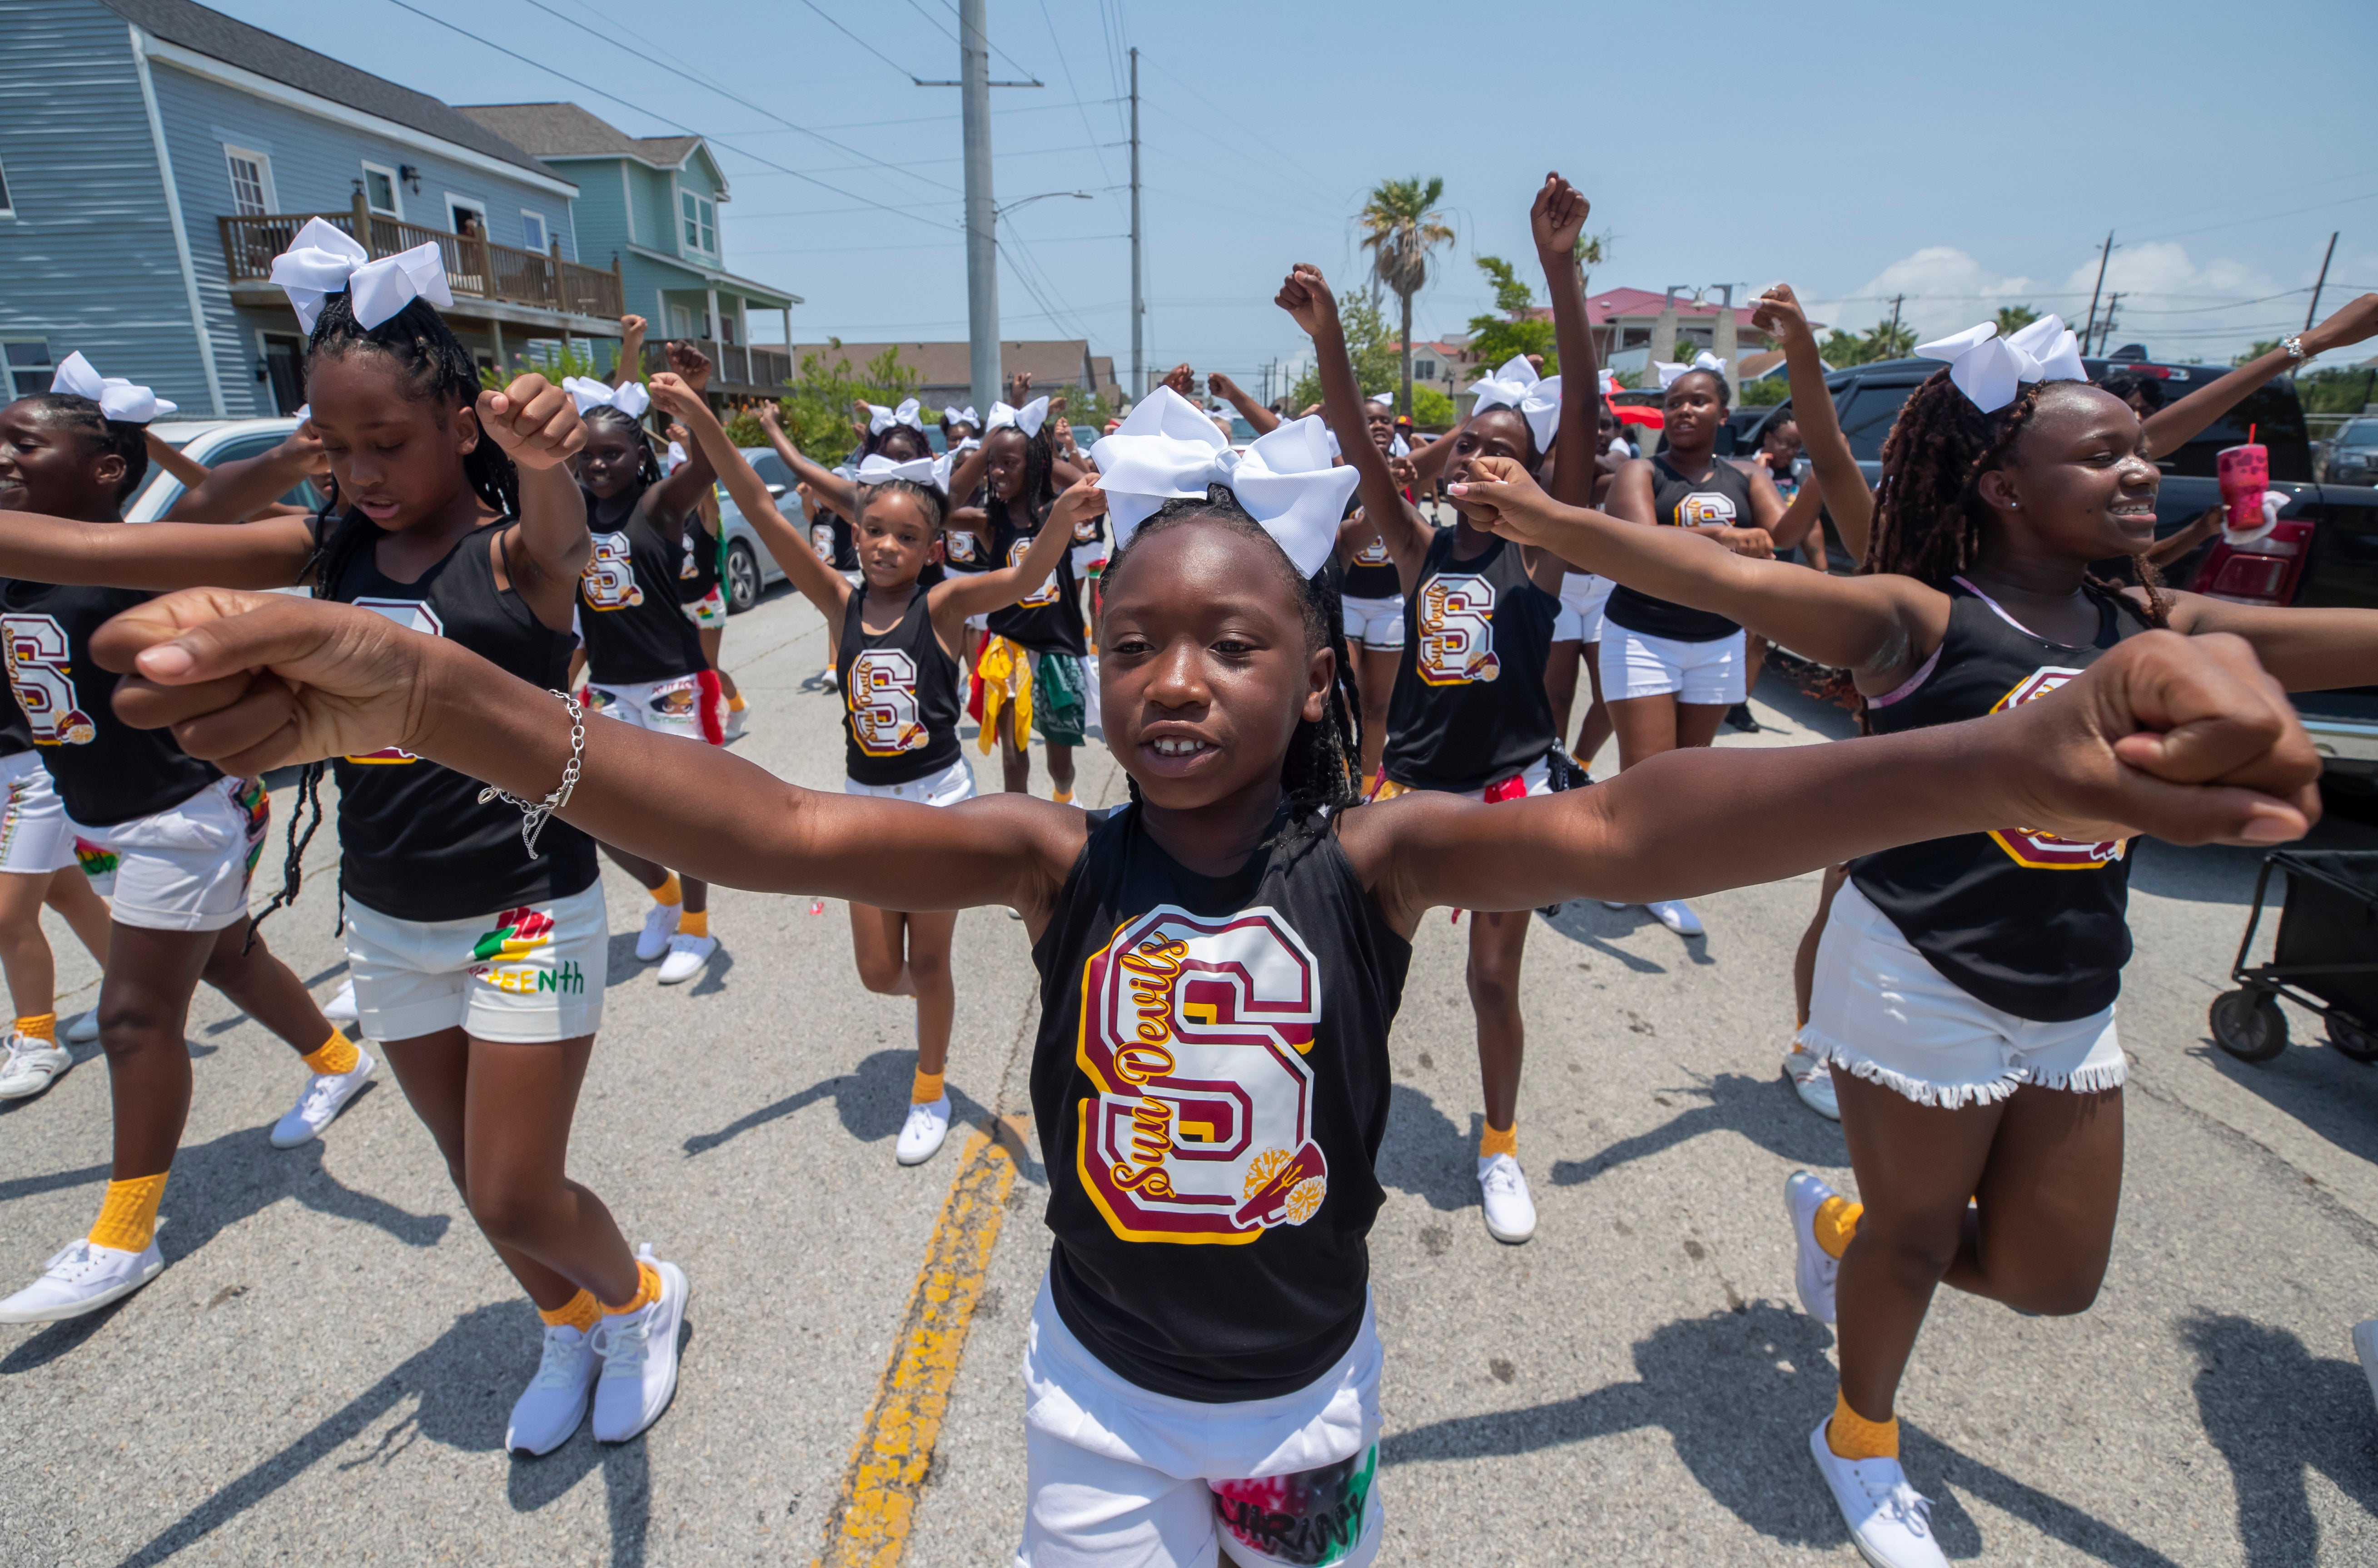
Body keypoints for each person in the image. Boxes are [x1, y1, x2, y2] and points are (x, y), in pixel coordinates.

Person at [100, 421, 2317, 1568]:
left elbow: (1643, 831)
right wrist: (438, 694)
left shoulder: (1378, 857)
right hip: (1089, 1396)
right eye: (1132, 637)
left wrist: (1997, 758)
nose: (1171, 675)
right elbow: (766, 825)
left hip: (1299, 1409)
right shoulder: (1043, 857)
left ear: (1313, 673)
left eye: (1229, 641)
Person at [1447, 308, 2374, 1568]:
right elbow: (1728, 581)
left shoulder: (2163, 629)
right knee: (1921, 1236)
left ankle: (1835, 1229)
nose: (2140, 473)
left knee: (2052, 1277)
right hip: (1916, 969)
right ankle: (1858, 1438)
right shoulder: (1918, 621)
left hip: (2073, 991)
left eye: (2139, 453)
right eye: (2103, 456)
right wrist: (1551, 520)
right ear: (2001, 487)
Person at [0, 226, 691, 1450]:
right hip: (384, 916)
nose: (363, 472)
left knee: (514, 1185)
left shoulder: (513, 555)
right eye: (335, 444)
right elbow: (101, 549)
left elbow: (560, 538)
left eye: (389, 441)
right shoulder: (325, 549)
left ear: (460, 428)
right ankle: (567, 1317)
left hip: (524, 908)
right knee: (466, 1169)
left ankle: (639, 1300)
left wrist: (543, 459)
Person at [0, 354, 363, 1324]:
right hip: (94, 815)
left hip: (181, 818)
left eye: (23, 443)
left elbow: (206, 507)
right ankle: (339, 1060)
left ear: (104, 470)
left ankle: (125, 1237)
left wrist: (290, 455)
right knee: (232, 961)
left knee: (133, 1019)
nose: (1, 458)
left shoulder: (130, 557)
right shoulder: (10, 570)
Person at [1274, 174, 1599, 1248]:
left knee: (1493, 978)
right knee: (1363, 973)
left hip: (1506, 792)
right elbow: (1354, 438)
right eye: (1469, 444)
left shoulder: (1541, 557)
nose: (1480, 457)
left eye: (1506, 448)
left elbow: (1582, 420)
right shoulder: (1416, 550)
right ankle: (1335, 1125)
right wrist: (1327, 335)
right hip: (1409, 791)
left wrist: (1557, 269)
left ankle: (1498, 1144)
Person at [657, 372, 1092, 1165]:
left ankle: (930, 1087)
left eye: (905, 536)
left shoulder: (943, 607)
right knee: (877, 970)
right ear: (855, 533)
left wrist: (1062, 517)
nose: (886, 545)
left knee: (928, 961)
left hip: (938, 804)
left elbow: (1024, 580)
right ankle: (935, 1003)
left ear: (931, 549)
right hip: (863, 804)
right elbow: (758, 506)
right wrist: (699, 419)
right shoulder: (838, 600)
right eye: (874, 530)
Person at [1595, 344, 1791, 937]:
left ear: (1722, 414)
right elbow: (1644, 544)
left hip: (1718, 638)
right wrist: (1725, 538)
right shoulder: (1640, 473)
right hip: (1643, 634)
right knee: (1648, 770)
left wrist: (1822, 470)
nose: (1683, 410)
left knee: (1690, 770)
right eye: (1674, 402)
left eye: (1698, 401)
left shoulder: (1748, 474)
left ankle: (1661, 878)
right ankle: (1623, 868)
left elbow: (1783, 534)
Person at [567, 357, 728, 988]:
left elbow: (710, 467)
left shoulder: (660, 504)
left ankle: (697, 926)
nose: (597, 465)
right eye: (587, 455)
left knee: (683, 813)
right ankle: (664, 897)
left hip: (671, 682)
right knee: (595, 810)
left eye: (611, 453)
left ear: (640, 456)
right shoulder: (569, 510)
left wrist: (695, 401)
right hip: (608, 684)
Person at [941, 392, 1094, 801]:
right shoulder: (988, 521)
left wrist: (1039, 448)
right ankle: (1018, 825)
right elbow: (941, 507)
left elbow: (1089, 484)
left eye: (1010, 463)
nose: (997, 472)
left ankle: (1064, 800)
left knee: (1061, 765)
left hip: (1058, 647)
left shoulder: (1061, 510)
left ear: (1034, 465)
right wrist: (988, 445)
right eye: (993, 464)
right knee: (1013, 753)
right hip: (1008, 648)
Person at [662, 421, 746, 742]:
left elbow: (706, 486)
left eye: (688, 481)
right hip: (679, 605)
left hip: (706, 601)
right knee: (683, 670)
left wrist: (688, 448)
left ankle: (736, 708)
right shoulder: (666, 523)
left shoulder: (707, 519)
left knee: (707, 666)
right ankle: (695, 724)